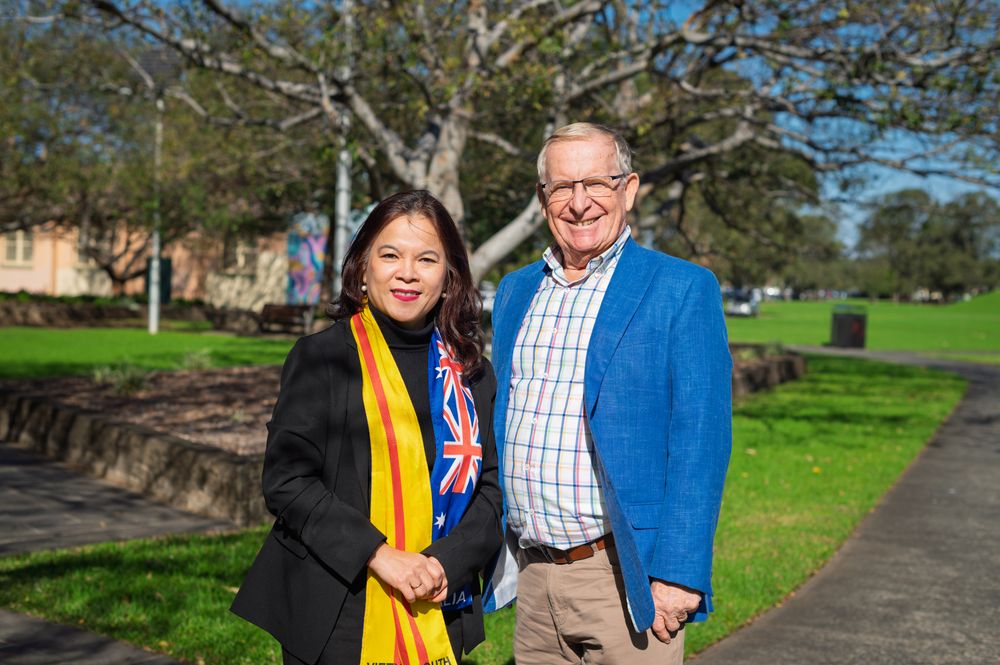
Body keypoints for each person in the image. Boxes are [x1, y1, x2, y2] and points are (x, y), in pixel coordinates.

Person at [485, 123, 732, 663]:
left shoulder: (682, 289)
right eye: (561, 188)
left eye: (597, 183)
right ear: (542, 199)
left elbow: (701, 441)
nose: (579, 204)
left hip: (628, 577)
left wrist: (678, 574)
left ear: (629, 188)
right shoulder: (515, 291)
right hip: (532, 576)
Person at [232, 190, 503, 665]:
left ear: (448, 276)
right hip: (337, 605)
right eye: (390, 255)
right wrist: (381, 555)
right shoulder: (322, 359)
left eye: (427, 259)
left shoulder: (472, 373)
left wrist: (445, 563)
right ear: (362, 267)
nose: (407, 273)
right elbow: (288, 482)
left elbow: (493, 490)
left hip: (440, 601)